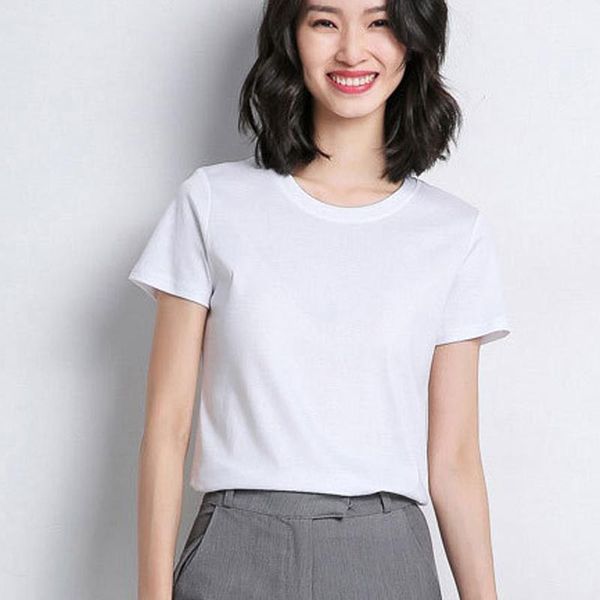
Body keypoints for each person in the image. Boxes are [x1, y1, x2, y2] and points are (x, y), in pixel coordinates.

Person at [128, 0, 511, 598]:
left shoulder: (453, 233)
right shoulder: (213, 202)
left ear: (413, 41)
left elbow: (455, 459)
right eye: (325, 22)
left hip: (386, 556)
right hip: (236, 546)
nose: (352, 51)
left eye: (380, 22)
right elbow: (166, 426)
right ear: (291, 37)